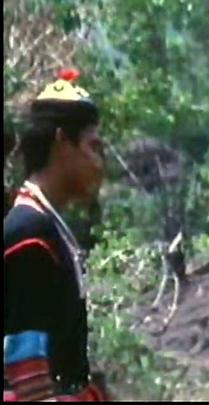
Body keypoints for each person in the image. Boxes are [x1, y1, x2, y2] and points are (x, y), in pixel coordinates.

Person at [3, 69, 108, 401]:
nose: (99, 163)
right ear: (63, 142)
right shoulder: (29, 232)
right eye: (93, 147)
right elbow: (26, 371)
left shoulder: (48, 226)